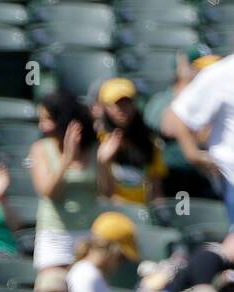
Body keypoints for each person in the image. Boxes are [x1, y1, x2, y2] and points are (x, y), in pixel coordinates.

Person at [28, 91, 109, 270]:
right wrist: (66, 159)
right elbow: (48, 192)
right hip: (55, 234)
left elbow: (107, 192)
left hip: (88, 234)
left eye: (47, 119)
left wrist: (105, 162)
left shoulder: (96, 149)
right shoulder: (40, 149)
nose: (42, 126)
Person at [163, 53, 234, 226]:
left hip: (209, 178)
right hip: (184, 175)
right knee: (185, 217)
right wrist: (193, 152)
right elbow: (170, 124)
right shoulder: (220, 75)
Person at [95, 78, 165, 206]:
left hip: (142, 213)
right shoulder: (98, 139)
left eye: (127, 103)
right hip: (113, 213)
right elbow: (104, 194)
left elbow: (156, 188)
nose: (122, 109)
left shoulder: (150, 141)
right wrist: (103, 163)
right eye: (116, 104)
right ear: (105, 107)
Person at [67, 212, 138, 292]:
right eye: (122, 258)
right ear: (113, 250)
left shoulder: (93, 273)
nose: (121, 264)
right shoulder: (86, 274)